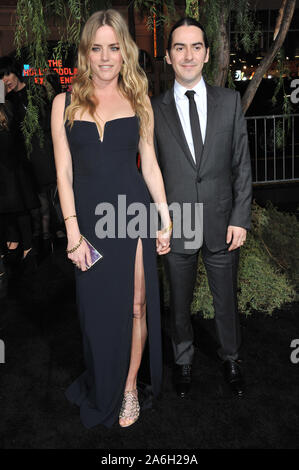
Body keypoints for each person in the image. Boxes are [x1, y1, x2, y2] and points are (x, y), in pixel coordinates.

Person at [51, 9, 171, 429]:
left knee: (137, 306)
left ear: (125, 51)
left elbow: (150, 165)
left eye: (114, 48)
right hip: (88, 224)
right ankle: (104, 380)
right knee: (95, 311)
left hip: (132, 214)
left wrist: (165, 217)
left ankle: (130, 388)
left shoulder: (140, 100)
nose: (105, 57)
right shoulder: (63, 103)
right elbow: (63, 173)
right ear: (86, 52)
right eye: (97, 48)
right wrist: (72, 234)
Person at [152, 17, 252, 399]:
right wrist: (157, 222)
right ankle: (183, 360)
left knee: (226, 298)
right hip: (176, 225)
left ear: (207, 54)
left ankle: (231, 358)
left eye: (196, 47)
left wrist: (240, 218)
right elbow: (150, 172)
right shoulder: (153, 108)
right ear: (168, 56)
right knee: (178, 301)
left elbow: (241, 164)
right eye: (180, 47)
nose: (188, 55)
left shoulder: (229, 102)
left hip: (222, 221)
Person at [0, 81, 39, 274]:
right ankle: (15, 242)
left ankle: (27, 246)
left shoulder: (9, 109)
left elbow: (15, 141)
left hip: (13, 169)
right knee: (10, 211)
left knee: (19, 209)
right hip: (8, 171)